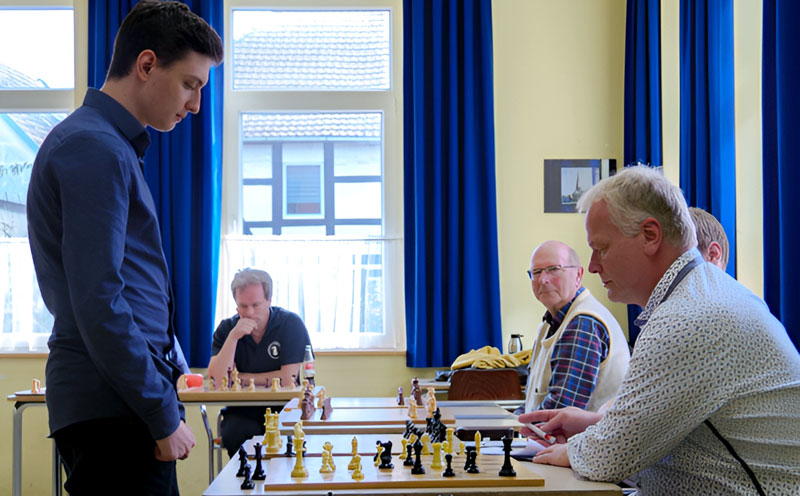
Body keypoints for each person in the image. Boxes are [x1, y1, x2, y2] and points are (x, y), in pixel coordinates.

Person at [26, 2, 223, 494]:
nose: (196, 105)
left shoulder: (105, 144)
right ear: (148, 64)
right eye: (190, 84)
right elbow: (100, 300)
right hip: (114, 407)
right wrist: (159, 412)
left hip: (119, 400)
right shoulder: (93, 147)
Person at [520, 166, 800, 495]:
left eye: (602, 248)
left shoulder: (690, 318)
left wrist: (575, 450)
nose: (594, 265)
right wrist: (596, 425)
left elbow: (609, 458)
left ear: (650, 236)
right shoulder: (701, 294)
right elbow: (672, 425)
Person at [208, 268, 312, 456]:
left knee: (287, 439)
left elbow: (288, 379)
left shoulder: (290, 324)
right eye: (243, 306)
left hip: (284, 409)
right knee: (237, 435)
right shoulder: (227, 329)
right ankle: (246, 484)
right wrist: (233, 337)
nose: (250, 312)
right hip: (241, 410)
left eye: (256, 305)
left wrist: (241, 378)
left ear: (269, 301)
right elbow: (217, 380)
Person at [521, 240, 629, 414]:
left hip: (584, 441)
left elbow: (560, 410)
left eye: (554, 269)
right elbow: (532, 402)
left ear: (578, 274)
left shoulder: (583, 323)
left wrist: (516, 426)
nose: (543, 279)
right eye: (536, 272)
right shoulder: (550, 323)